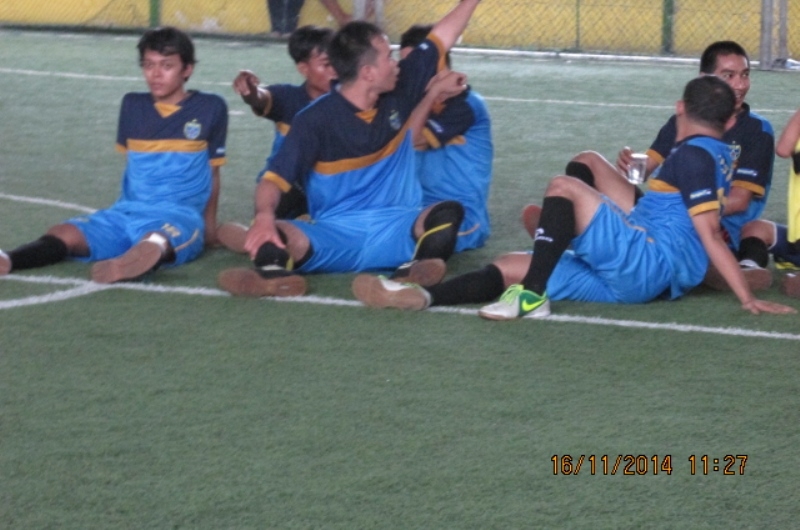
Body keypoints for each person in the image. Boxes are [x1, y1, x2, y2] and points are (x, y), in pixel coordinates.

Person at [352, 77, 797, 318]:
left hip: (649, 260)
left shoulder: (696, 155)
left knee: (563, 187)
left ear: (680, 107)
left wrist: (746, 297)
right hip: (639, 268)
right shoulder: (708, 151)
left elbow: (709, 233)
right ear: (727, 119)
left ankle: (535, 291)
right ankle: (423, 296)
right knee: (510, 264)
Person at [217, 0, 483, 299]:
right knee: (276, 229)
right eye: (389, 57)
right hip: (334, 234)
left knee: (447, 211)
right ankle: (273, 275)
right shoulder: (314, 120)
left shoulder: (400, 86)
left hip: (398, 227)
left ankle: (415, 270)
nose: (396, 63)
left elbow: (442, 36)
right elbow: (273, 180)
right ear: (368, 72)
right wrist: (264, 217)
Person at [523, 41, 776, 291]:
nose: (740, 85)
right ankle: (578, 233)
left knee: (667, 232)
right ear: (704, 79)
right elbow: (645, 170)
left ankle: (709, 266)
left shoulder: (757, 130)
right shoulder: (684, 119)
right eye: (729, 76)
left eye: (745, 75)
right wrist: (633, 164)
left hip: (710, 229)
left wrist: (690, 205)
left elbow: (740, 201)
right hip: (663, 221)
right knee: (586, 161)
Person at [0, 27, 228, 283]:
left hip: (178, 216)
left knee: (156, 239)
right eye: (148, 65)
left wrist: (209, 227)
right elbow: (133, 168)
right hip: (125, 213)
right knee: (65, 232)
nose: (155, 74)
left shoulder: (211, 107)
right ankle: (9, 259)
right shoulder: (132, 105)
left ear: (187, 69)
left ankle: (131, 262)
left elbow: (213, 172)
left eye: (166, 66)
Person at [218, 25, 336, 250]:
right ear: (303, 68)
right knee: (292, 236)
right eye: (327, 64)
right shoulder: (288, 98)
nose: (337, 70)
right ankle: (254, 238)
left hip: (325, 187)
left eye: (339, 61)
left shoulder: (348, 101)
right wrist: (251, 91)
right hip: (286, 190)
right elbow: (261, 98)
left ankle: (269, 239)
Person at [400, 24, 493, 252]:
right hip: (413, 209)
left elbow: (413, 140)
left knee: (423, 238)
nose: (405, 73)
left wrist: (432, 93)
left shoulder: (467, 105)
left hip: (460, 215)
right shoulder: (414, 102)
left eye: (413, 65)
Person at [734, 107, 800, 298]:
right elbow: (783, 149)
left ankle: (796, 282)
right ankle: (749, 269)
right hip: (796, 239)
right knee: (755, 229)